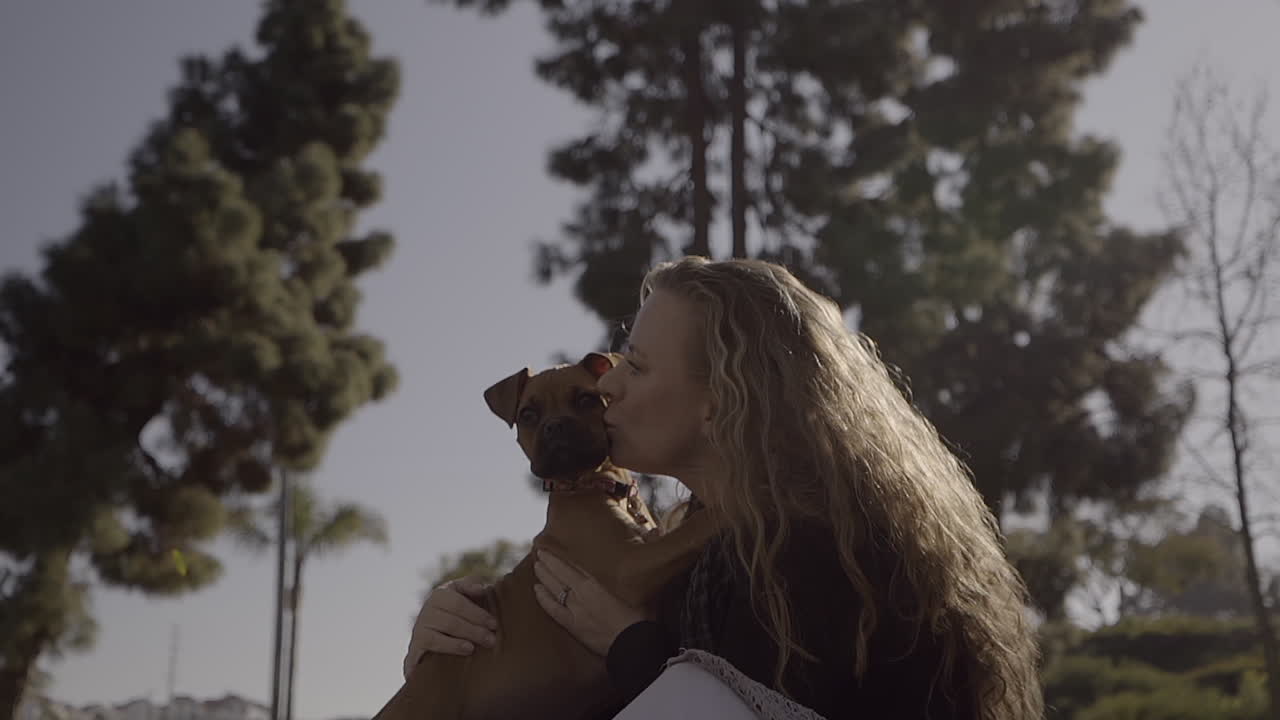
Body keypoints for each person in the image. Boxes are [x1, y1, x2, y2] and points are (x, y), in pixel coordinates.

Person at [408, 257, 1044, 719]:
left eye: (639, 364)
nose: (609, 386)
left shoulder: (814, 555)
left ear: (722, 398)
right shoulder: (714, 553)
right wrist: (450, 656)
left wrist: (632, 648)